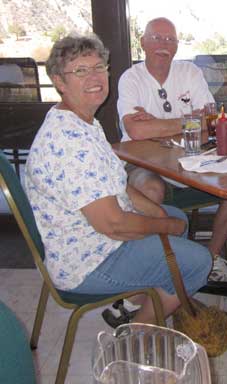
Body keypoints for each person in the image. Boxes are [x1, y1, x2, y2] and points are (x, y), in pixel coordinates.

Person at [23, 33, 212, 325]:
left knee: (177, 219)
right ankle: (135, 341)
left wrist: (160, 214)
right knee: (199, 261)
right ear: (59, 82)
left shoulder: (82, 120)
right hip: (89, 261)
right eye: (80, 71)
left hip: (94, 240)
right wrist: (164, 225)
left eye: (99, 67)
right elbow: (114, 225)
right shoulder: (70, 140)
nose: (95, 77)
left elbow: (116, 183)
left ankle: (149, 301)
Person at [117, 17, 227, 281]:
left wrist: (158, 123)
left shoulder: (190, 73)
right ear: (143, 42)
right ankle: (150, 269)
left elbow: (211, 121)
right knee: (150, 189)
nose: (163, 44)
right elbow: (137, 132)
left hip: (192, 159)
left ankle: (210, 260)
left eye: (170, 39)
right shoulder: (131, 79)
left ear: (177, 46)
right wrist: (188, 121)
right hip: (143, 162)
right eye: (157, 38)